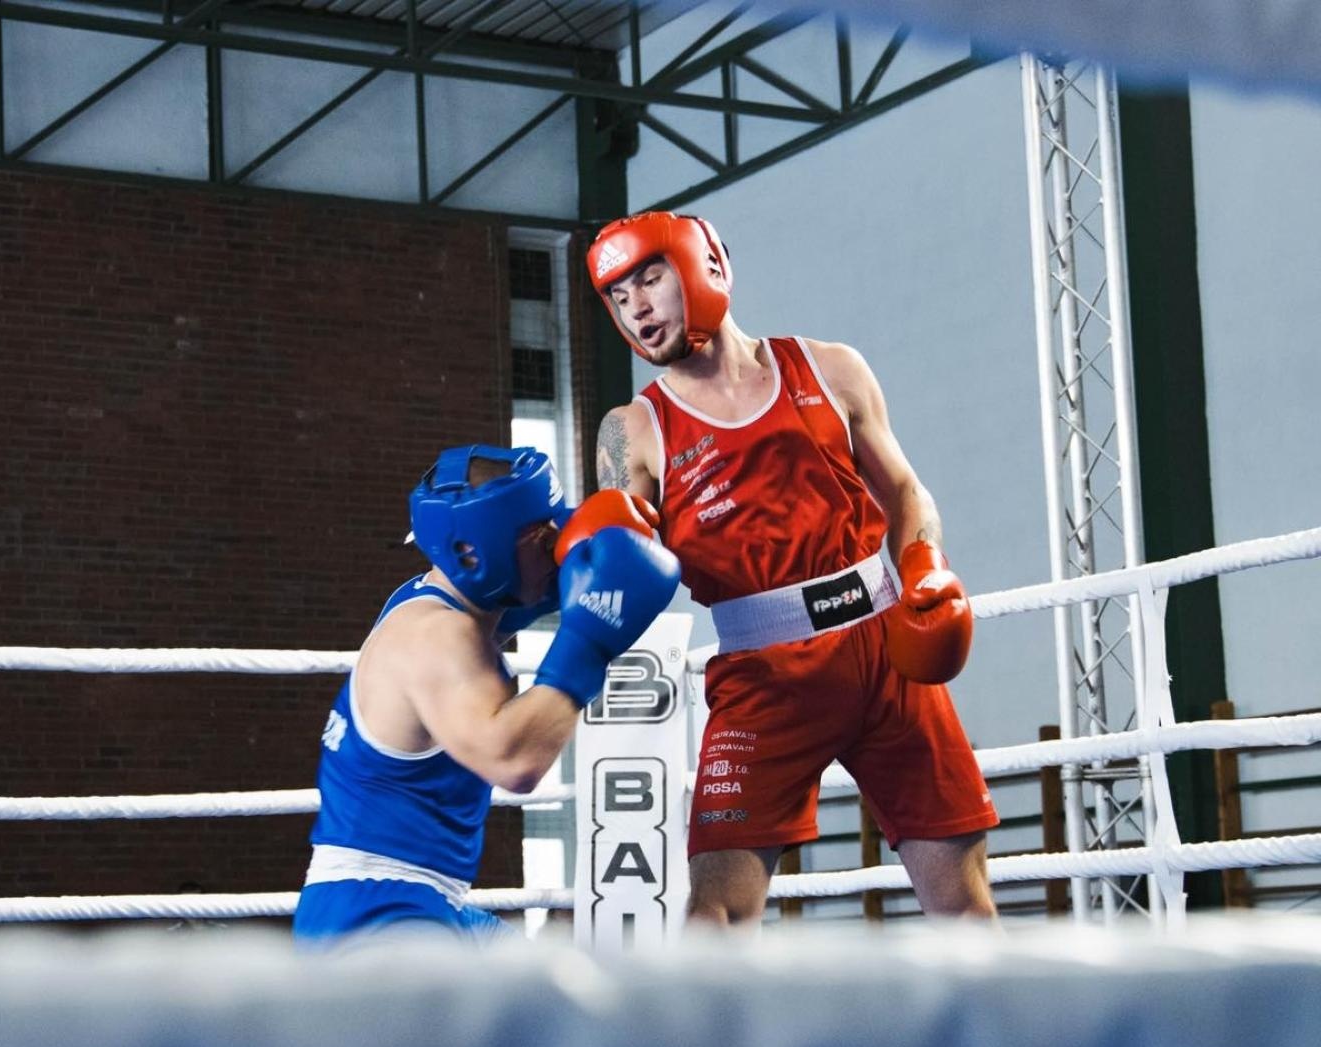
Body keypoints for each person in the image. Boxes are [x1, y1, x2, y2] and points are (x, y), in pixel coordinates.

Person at [585, 211, 999, 927]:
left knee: (964, 907)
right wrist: (592, 565)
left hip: (886, 651)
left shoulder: (831, 368)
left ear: (707, 265)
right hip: (762, 680)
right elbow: (612, 576)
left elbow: (905, 490)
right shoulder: (631, 433)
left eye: (649, 280)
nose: (637, 309)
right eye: (619, 297)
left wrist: (924, 562)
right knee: (715, 916)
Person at [292, 443, 680, 946]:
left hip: (415, 899)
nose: (557, 544)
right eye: (541, 537)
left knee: (564, 981)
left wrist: (594, 540)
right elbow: (514, 762)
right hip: (376, 914)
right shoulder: (437, 637)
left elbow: (536, 590)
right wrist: (593, 637)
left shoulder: (452, 602)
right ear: (474, 553)